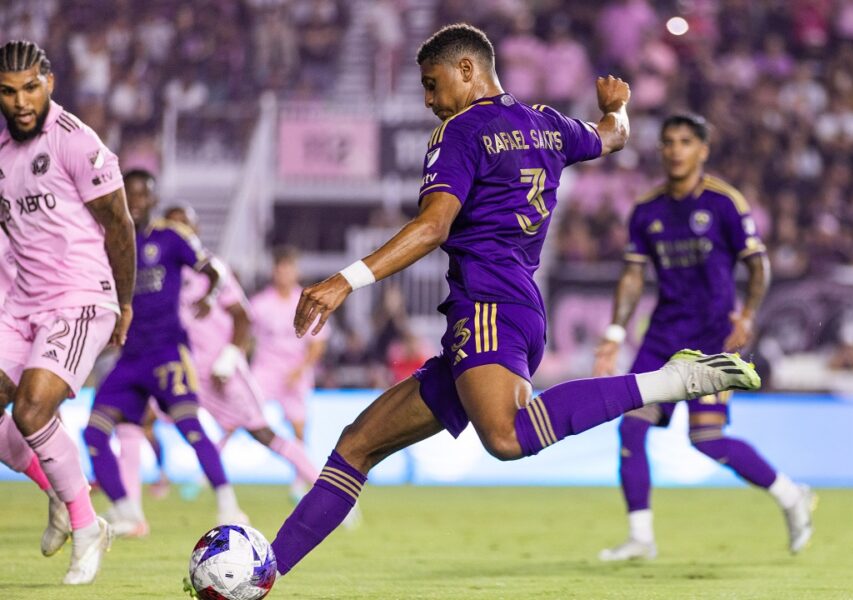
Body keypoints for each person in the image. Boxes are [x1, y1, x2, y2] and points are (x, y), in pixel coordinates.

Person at [267, 24, 760, 579]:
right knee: (357, 443)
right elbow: (611, 136)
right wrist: (617, 107)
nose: (430, 101)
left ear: (468, 70)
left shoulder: (460, 132)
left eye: (433, 85)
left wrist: (345, 280)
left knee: (506, 436)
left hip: (487, 304)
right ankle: (265, 570)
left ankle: (675, 381)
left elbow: (433, 227)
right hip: (517, 308)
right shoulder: (547, 125)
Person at [593, 114, 815, 561]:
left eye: (685, 142)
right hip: (661, 339)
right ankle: (641, 537)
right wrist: (614, 336)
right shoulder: (646, 210)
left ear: (702, 151)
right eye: (669, 142)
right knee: (632, 427)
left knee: (707, 439)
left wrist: (748, 316)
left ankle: (792, 496)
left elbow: (758, 264)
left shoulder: (725, 203)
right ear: (660, 150)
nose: (675, 149)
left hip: (714, 337)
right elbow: (632, 278)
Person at [0, 40, 135, 584]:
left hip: (80, 296)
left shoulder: (77, 142)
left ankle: (88, 527)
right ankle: (56, 490)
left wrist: (124, 304)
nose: (21, 101)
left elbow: (120, 225)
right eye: (7, 92)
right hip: (19, 302)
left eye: (30, 87)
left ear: (49, 82)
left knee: (31, 411)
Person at [82, 170, 247, 537]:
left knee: (190, 427)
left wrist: (209, 296)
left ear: (154, 200)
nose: (137, 201)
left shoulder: (170, 238)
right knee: (94, 434)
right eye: (132, 194)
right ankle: (128, 513)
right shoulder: (112, 242)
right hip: (129, 358)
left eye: (144, 195)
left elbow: (213, 270)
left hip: (166, 353)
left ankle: (229, 505)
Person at [166, 206, 322, 499]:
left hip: (246, 369)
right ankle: (135, 502)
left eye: (184, 227)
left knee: (267, 429)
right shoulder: (162, 274)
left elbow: (243, 320)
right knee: (141, 415)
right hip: (223, 368)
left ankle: (319, 486)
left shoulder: (213, 270)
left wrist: (229, 358)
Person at [249, 245, 327, 498]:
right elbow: (246, 338)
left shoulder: (307, 302)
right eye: (280, 268)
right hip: (264, 370)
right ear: (274, 271)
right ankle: (207, 472)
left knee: (299, 428)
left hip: (295, 372)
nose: (284, 273)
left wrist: (301, 369)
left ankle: (299, 480)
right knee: (238, 415)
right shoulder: (260, 304)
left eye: (289, 268)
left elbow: (317, 344)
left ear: (296, 271)